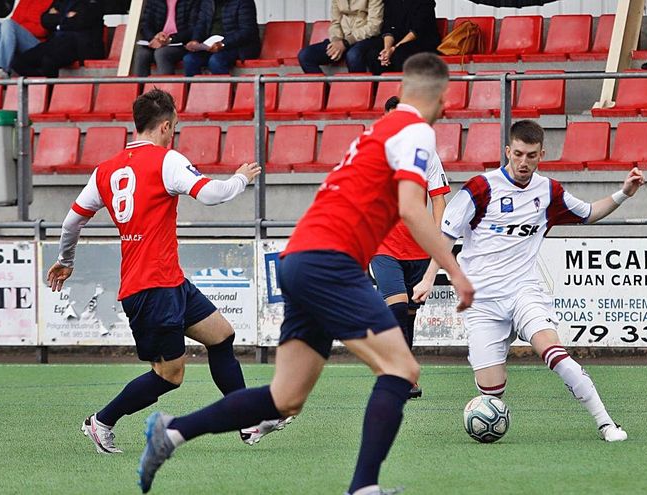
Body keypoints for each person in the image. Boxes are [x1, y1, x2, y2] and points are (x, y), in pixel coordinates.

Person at [136, 53, 474, 495]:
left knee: (285, 398)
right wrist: (455, 271)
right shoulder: (416, 132)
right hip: (331, 262)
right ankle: (364, 487)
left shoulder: (378, 132)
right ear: (441, 95)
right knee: (401, 369)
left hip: (300, 258)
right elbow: (413, 208)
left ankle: (172, 431)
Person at [45, 89, 283, 454]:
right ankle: (101, 421)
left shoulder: (105, 170)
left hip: (168, 281)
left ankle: (249, 419)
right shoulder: (166, 160)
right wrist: (240, 179)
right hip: (151, 288)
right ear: (166, 125)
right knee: (170, 376)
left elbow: (71, 221)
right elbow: (211, 194)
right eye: (175, 126)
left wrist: (67, 259)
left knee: (221, 335)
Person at [415, 120, 639, 442]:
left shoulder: (549, 192)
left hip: (523, 291)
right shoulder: (480, 188)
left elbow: (588, 213)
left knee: (556, 355)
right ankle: (492, 412)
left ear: (541, 155)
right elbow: (445, 238)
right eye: (517, 154)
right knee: (491, 390)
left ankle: (607, 424)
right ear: (508, 151)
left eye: (531, 156)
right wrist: (428, 279)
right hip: (481, 300)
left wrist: (624, 194)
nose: (523, 162)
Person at [370, 95, 450, 399]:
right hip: (384, 246)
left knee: (409, 316)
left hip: (418, 248)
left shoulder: (427, 155)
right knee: (398, 305)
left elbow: (439, 198)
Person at [12, 0, 105, 78]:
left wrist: (57, 21)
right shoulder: (61, 1)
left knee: (49, 61)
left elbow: (80, 21)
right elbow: (44, 19)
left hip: (81, 45)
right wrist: (65, 18)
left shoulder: (92, 2)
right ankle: (41, 82)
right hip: (58, 41)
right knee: (18, 62)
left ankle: (50, 94)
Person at [298, 0, 383, 74]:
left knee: (353, 55)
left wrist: (345, 42)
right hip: (342, 38)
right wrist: (336, 40)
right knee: (305, 55)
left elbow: (374, 26)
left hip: (365, 39)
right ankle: (326, 91)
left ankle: (357, 90)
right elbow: (335, 22)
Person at [0, 0, 51, 78]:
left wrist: (19, 29)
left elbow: (42, 29)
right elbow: (15, 20)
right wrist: (18, 29)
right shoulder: (25, 1)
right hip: (21, 39)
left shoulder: (49, 1)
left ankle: (2, 69)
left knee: (9, 24)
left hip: (38, 46)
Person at [182, 0, 259, 76]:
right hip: (210, 45)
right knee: (189, 59)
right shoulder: (207, 2)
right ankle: (196, 88)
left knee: (216, 61)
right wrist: (195, 40)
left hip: (238, 46)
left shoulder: (244, 2)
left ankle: (224, 88)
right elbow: (201, 24)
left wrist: (223, 44)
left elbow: (247, 31)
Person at [365, 0, 439, 75]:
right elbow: (388, 28)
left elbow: (417, 31)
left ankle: (402, 85)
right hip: (397, 41)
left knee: (399, 54)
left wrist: (394, 48)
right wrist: (387, 49)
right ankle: (381, 85)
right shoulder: (391, 2)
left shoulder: (425, 2)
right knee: (375, 54)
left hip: (422, 42)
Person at [132, 0, 201, 76]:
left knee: (162, 53)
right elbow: (145, 25)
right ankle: (139, 87)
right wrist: (154, 37)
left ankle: (166, 87)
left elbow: (193, 28)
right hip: (158, 41)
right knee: (141, 54)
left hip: (181, 43)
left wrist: (170, 39)